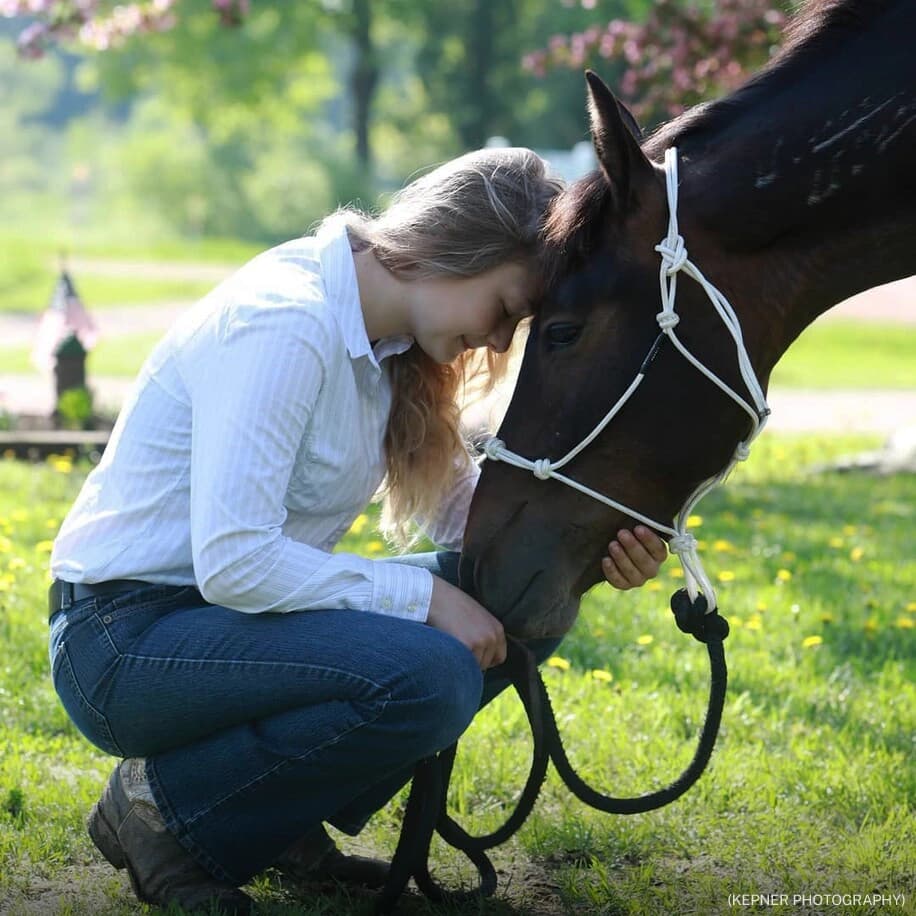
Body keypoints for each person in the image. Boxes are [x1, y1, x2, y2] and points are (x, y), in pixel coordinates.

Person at [47, 147, 668, 914]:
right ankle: (159, 813)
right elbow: (235, 563)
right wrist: (424, 600)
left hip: (224, 621)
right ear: (460, 251)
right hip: (124, 640)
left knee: (521, 595)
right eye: (506, 310)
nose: (501, 343)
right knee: (431, 674)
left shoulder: (388, 347)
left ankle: (273, 822)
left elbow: (471, 526)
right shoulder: (286, 323)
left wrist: (584, 552)